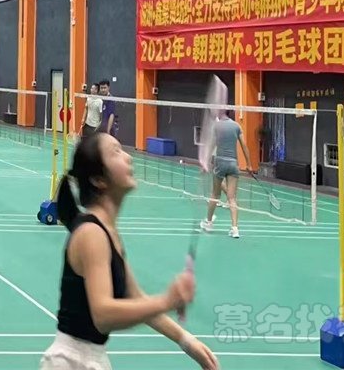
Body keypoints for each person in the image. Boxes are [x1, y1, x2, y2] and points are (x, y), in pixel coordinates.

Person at [42, 132, 219, 370]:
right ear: (98, 180)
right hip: (71, 361)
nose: (128, 157)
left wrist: (187, 341)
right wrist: (167, 301)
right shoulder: (91, 234)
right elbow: (103, 315)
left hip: (91, 358)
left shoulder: (107, 231)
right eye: (115, 152)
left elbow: (136, 298)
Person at [200, 109, 253, 239]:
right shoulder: (236, 126)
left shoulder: (216, 126)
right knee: (232, 198)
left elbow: (211, 145)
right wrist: (249, 165)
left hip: (220, 163)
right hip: (233, 164)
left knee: (215, 194)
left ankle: (209, 223)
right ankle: (235, 229)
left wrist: (205, 162)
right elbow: (244, 146)